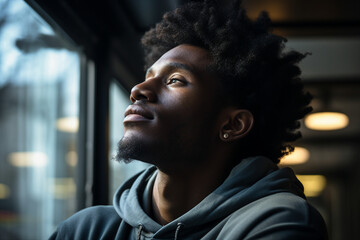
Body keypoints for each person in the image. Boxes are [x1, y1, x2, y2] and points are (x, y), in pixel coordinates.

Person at [50, 0, 328, 239]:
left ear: (232, 125)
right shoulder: (86, 229)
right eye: (148, 77)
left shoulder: (281, 222)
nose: (138, 91)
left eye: (174, 80)